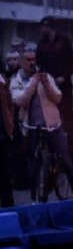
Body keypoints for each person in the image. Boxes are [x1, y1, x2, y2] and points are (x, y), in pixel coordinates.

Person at [10, 49, 73, 202]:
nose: (31, 63)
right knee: (34, 163)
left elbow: (58, 98)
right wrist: (34, 82)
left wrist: (46, 83)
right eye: (28, 60)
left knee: (65, 156)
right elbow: (20, 100)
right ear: (21, 62)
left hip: (52, 125)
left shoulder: (46, 77)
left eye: (33, 59)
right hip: (31, 127)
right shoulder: (17, 81)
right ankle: (34, 198)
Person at [36, 17, 73, 163]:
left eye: (43, 27)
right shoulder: (41, 44)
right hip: (49, 86)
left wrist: (64, 76)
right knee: (51, 118)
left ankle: (72, 153)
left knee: (67, 118)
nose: (41, 30)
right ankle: (54, 151)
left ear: (50, 27)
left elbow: (72, 62)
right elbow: (39, 63)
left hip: (64, 86)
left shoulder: (64, 41)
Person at [0, 74, 14, 207]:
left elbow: (9, 105)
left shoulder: (2, 81)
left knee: (5, 170)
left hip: (3, 133)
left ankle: (8, 203)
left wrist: (10, 124)